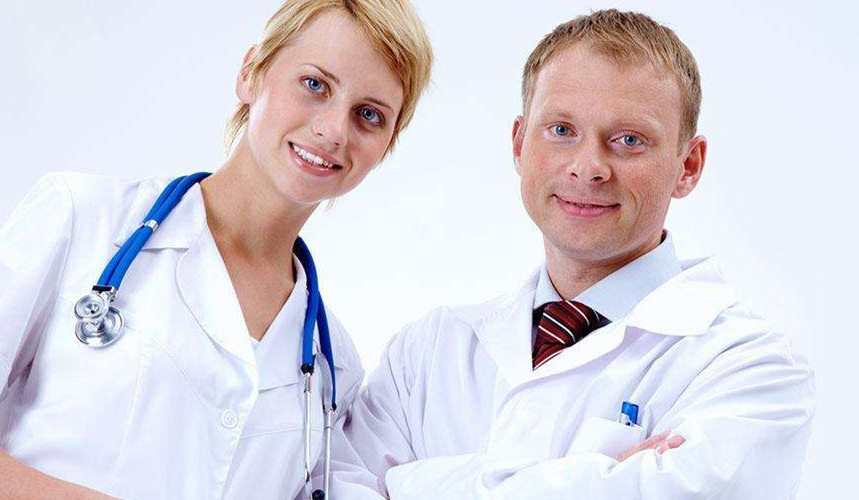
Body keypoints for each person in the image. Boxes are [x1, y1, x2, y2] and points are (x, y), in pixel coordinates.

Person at [0, 1, 432, 499]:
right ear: (251, 72)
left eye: (369, 115)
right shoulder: (85, 219)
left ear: (386, 145)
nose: (334, 130)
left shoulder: (334, 365)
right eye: (314, 84)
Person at [344, 9, 815, 499]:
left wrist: (410, 485)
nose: (588, 167)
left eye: (628, 140)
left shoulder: (751, 368)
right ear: (519, 144)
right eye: (561, 130)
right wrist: (597, 480)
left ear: (688, 166)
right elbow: (338, 487)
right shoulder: (426, 353)